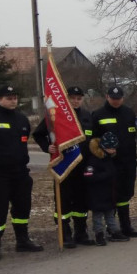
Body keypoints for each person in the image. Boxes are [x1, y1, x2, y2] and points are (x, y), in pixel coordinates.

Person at [0, 85, 43, 260]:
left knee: (23, 208)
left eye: (14, 97)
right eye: (8, 97)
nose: (13, 100)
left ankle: (22, 240)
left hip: (20, 173)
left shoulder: (22, 119)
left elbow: (24, 141)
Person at [33, 85, 96, 248]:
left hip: (82, 166)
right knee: (64, 201)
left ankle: (81, 232)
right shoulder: (55, 115)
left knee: (81, 202)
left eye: (78, 98)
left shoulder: (87, 116)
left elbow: (92, 140)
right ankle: (65, 233)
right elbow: (38, 134)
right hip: (63, 165)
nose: (75, 101)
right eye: (72, 98)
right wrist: (47, 147)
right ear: (66, 99)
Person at [90, 85, 137, 237]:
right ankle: (112, 228)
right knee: (111, 195)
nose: (116, 101)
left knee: (126, 194)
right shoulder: (98, 114)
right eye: (113, 98)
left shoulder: (129, 113)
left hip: (128, 162)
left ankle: (126, 227)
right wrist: (102, 151)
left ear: (122, 98)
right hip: (109, 163)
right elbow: (93, 140)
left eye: (118, 99)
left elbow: (134, 136)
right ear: (107, 97)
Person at [82, 131, 130, 245]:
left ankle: (114, 231)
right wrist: (106, 175)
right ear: (104, 147)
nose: (114, 151)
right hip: (97, 194)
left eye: (115, 148)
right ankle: (99, 234)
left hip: (109, 192)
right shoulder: (93, 160)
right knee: (97, 216)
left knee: (110, 214)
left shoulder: (108, 158)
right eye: (111, 148)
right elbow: (89, 176)